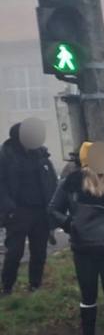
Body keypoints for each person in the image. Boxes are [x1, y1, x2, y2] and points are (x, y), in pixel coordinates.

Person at [47, 142, 104, 335]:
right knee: (88, 294)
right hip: (84, 248)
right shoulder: (71, 184)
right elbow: (53, 209)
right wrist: (71, 225)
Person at [0, 118, 59, 295]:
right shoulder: (6, 157)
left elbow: (52, 182)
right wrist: (9, 208)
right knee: (14, 252)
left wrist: (54, 207)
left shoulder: (41, 156)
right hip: (18, 212)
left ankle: (35, 285)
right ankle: (7, 287)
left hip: (41, 212)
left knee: (39, 252)